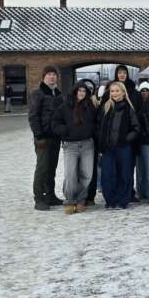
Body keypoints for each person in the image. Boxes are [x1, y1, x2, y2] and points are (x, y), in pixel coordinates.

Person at [52, 80, 97, 215]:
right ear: (75, 91)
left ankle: (81, 200)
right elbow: (55, 122)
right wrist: (65, 130)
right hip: (70, 145)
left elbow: (96, 122)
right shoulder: (65, 106)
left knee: (87, 174)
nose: (81, 93)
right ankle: (70, 200)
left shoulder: (90, 106)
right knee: (71, 174)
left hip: (87, 145)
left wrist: (91, 131)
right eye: (79, 91)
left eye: (84, 91)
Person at [97, 81, 141, 209]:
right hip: (108, 148)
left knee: (124, 174)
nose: (114, 93)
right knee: (108, 175)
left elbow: (136, 128)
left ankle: (122, 200)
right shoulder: (106, 107)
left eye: (117, 91)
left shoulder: (129, 108)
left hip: (123, 148)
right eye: (112, 91)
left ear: (123, 92)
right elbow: (99, 126)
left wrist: (126, 139)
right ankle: (110, 200)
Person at [28, 66, 63, 210]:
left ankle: (50, 195)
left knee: (52, 168)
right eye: (49, 74)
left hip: (55, 137)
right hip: (43, 137)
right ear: (43, 77)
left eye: (54, 75)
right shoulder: (38, 93)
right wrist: (38, 135)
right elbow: (33, 116)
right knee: (42, 168)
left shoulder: (59, 94)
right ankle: (39, 199)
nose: (52, 77)